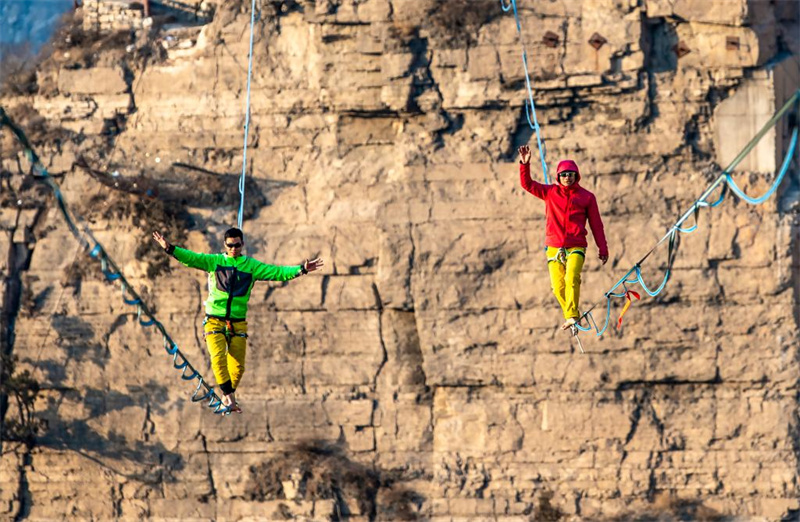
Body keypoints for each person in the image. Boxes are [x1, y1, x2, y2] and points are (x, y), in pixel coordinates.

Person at [152, 228, 323, 413]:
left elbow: (277, 272)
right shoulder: (214, 262)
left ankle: (229, 394)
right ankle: (229, 397)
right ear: (224, 245)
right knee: (218, 358)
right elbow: (191, 258)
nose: (233, 248)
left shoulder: (251, 266)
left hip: (237, 322)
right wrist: (169, 248)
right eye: (230, 245)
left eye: (237, 245)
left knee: (238, 368)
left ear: (243, 245)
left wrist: (301, 269)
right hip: (214, 320)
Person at [518, 145, 609, 331]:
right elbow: (527, 184)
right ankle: (571, 314)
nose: (567, 177)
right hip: (554, 247)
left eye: (571, 174)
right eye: (564, 174)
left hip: (576, 246)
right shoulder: (550, 192)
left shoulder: (587, 197)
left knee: (572, 278)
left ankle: (572, 316)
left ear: (577, 176)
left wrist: (603, 248)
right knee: (557, 287)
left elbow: (596, 225)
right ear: (558, 176)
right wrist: (525, 164)